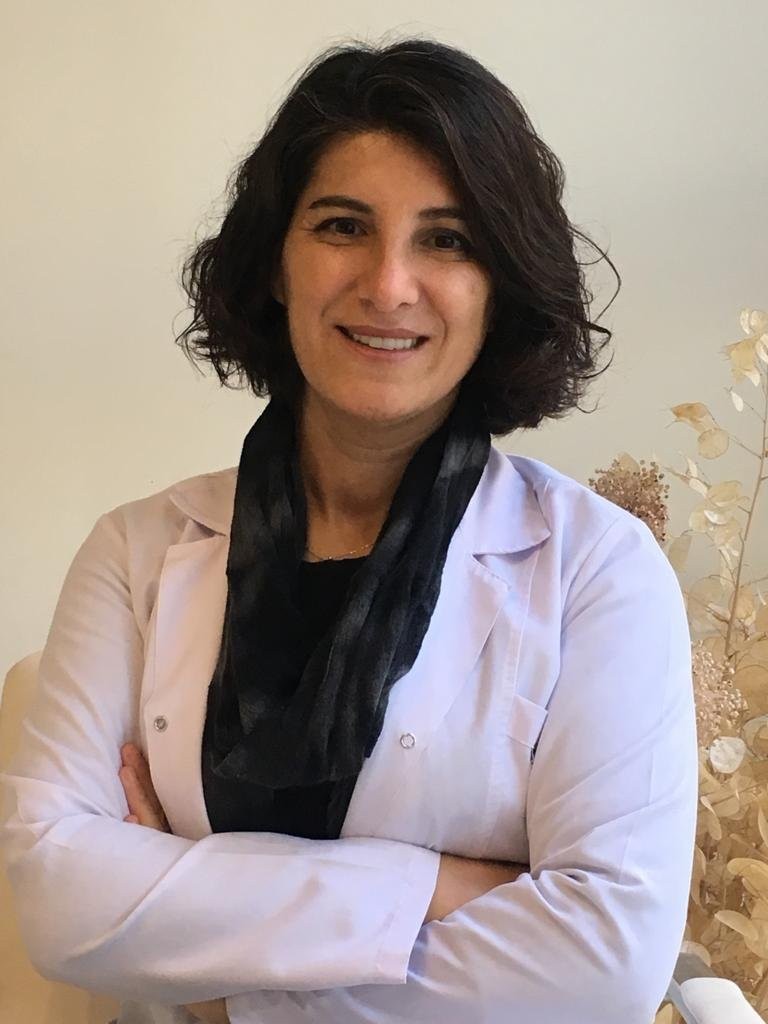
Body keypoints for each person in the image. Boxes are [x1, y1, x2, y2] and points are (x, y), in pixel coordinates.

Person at [0, 35, 698, 1024]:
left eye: (447, 240)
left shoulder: (598, 571)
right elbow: (56, 901)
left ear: (499, 286)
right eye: (342, 226)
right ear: (276, 264)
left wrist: (213, 983)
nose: (388, 283)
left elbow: (604, 965)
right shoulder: (136, 552)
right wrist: (442, 884)